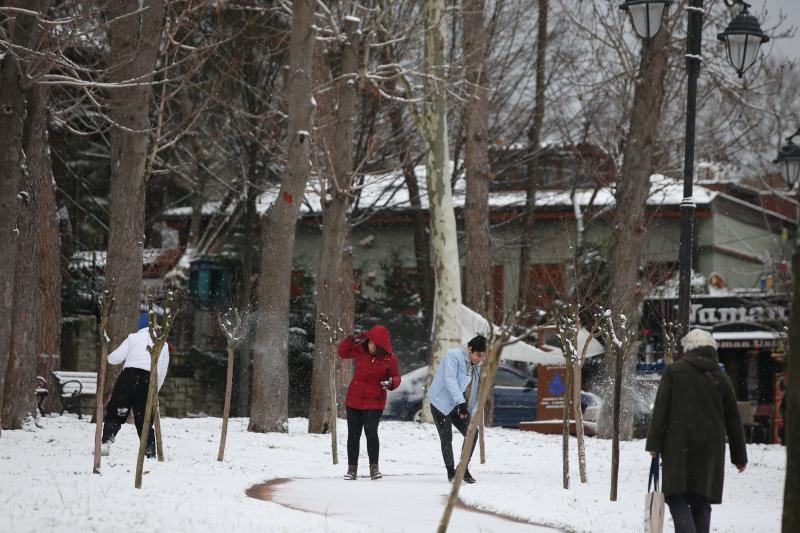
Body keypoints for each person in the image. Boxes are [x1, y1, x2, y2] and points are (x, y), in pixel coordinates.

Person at [645, 328, 747, 533]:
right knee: (701, 499)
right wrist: (739, 456)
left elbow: (661, 410)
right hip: (710, 450)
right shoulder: (722, 377)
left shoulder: (673, 372)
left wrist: (654, 445)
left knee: (676, 497)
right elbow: (734, 421)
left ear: (688, 348)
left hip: (677, 446)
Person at [337, 324, 401, 480]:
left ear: (382, 345)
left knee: (371, 433)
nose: (372, 346)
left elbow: (396, 377)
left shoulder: (390, 358)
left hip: (375, 401)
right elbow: (342, 352)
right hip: (354, 400)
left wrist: (391, 383)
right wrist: (352, 339)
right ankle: (352, 469)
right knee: (353, 435)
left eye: (376, 344)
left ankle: (374, 468)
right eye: (370, 342)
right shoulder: (360, 350)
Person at [101, 318, 170, 458]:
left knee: (116, 412)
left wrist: (107, 355)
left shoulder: (133, 338)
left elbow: (115, 358)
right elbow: (162, 370)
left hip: (128, 378)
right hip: (147, 381)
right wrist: (155, 389)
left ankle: (106, 442)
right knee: (144, 418)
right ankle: (149, 450)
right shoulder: (162, 344)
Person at [427, 334, 487, 483]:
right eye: (478, 355)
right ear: (470, 349)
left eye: (483, 356)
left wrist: (472, 409)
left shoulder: (476, 365)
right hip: (440, 402)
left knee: (472, 432)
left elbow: (474, 388)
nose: (480, 359)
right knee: (447, 437)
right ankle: (450, 472)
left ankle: (463, 469)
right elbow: (450, 379)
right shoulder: (453, 356)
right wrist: (461, 403)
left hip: (456, 403)